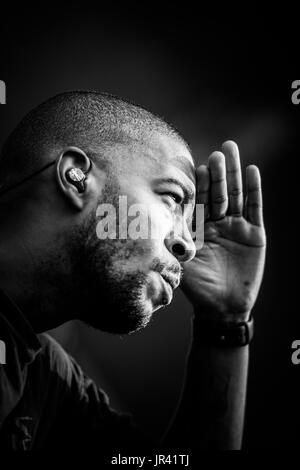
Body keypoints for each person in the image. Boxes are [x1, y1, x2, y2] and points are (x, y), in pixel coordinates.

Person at [0, 91, 266, 451]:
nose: (189, 246)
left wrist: (225, 322)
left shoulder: (46, 379)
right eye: (173, 199)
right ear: (76, 176)